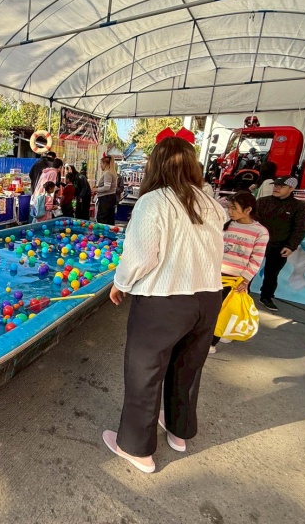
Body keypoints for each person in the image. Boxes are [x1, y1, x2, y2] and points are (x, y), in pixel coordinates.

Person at [104, 137, 225, 474]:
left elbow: (141, 256)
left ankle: (136, 449)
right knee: (188, 368)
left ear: (154, 165)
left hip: (164, 299)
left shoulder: (153, 201)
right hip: (208, 297)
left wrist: (121, 283)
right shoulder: (210, 201)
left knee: (144, 372)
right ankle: (178, 431)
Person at [211, 191, 269, 352]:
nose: (230, 212)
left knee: (225, 310)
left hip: (236, 279)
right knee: (215, 309)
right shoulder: (226, 225)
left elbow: (257, 258)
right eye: (229, 208)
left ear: (248, 209)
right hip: (216, 274)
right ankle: (219, 334)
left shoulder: (260, 231)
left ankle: (212, 342)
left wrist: (245, 279)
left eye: (234, 208)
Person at [255, 177, 305, 311]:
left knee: (271, 274)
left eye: (281, 186)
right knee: (248, 270)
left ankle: (266, 297)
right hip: (258, 243)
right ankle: (241, 294)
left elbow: (299, 228)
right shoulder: (262, 201)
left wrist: (291, 246)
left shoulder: (299, 206)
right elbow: (253, 221)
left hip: (280, 245)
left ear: (291, 189)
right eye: (276, 185)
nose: (277, 188)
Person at [93, 155, 120, 225]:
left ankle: (102, 232)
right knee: (109, 219)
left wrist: (96, 189)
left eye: (101, 163)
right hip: (110, 198)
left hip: (106, 199)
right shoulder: (112, 172)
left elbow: (106, 187)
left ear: (105, 164)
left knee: (102, 219)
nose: (100, 166)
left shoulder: (107, 173)